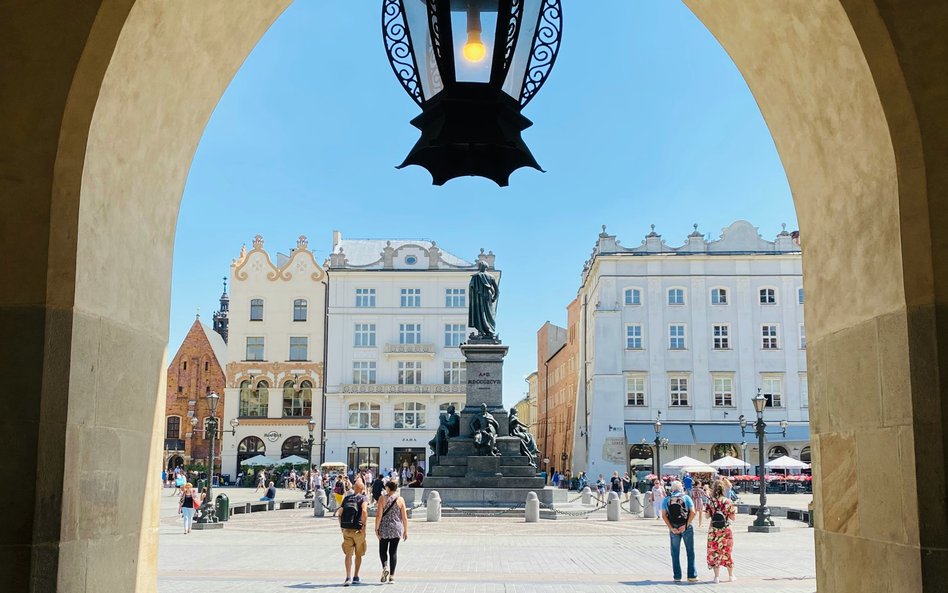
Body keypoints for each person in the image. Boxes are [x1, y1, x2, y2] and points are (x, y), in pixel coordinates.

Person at [662, 480, 698, 583]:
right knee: (690, 551)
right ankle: (692, 576)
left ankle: (677, 576)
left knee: (675, 552)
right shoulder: (686, 498)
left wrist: (671, 528)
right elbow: (693, 512)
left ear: (672, 489)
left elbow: (664, 515)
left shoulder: (667, 499)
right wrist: (686, 525)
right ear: (681, 488)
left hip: (673, 527)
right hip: (686, 527)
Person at [375, 480, 409, 584]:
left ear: (388, 488)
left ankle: (385, 567)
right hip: (396, 528)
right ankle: (392, 576)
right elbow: (404, 517)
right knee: (393, 552)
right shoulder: (400, 499)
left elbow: (379, 515)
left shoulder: (382, 498)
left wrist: (376, 528)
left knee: (382, 550)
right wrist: (405, 531)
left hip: (384, 527)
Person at [706, 479, 737, 583]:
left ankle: (716, 577)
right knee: (727, 551)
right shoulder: (728, 501)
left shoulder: (710, 501)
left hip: (714, 530)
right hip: (726, 530)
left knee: (715, 552)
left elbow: (706, 516)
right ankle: (731, 576)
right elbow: (733, 518)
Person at [340, 478, 368, 587]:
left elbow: (340, 513)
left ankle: (348, 577)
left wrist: (342, 527)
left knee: (348, 554)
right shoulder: (363, 498)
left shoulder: (347, 498)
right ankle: (356, 576)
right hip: (358, 530)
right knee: (359, 554)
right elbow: (364, 511)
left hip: (347, 529)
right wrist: (364, 526)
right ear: (362, 488)